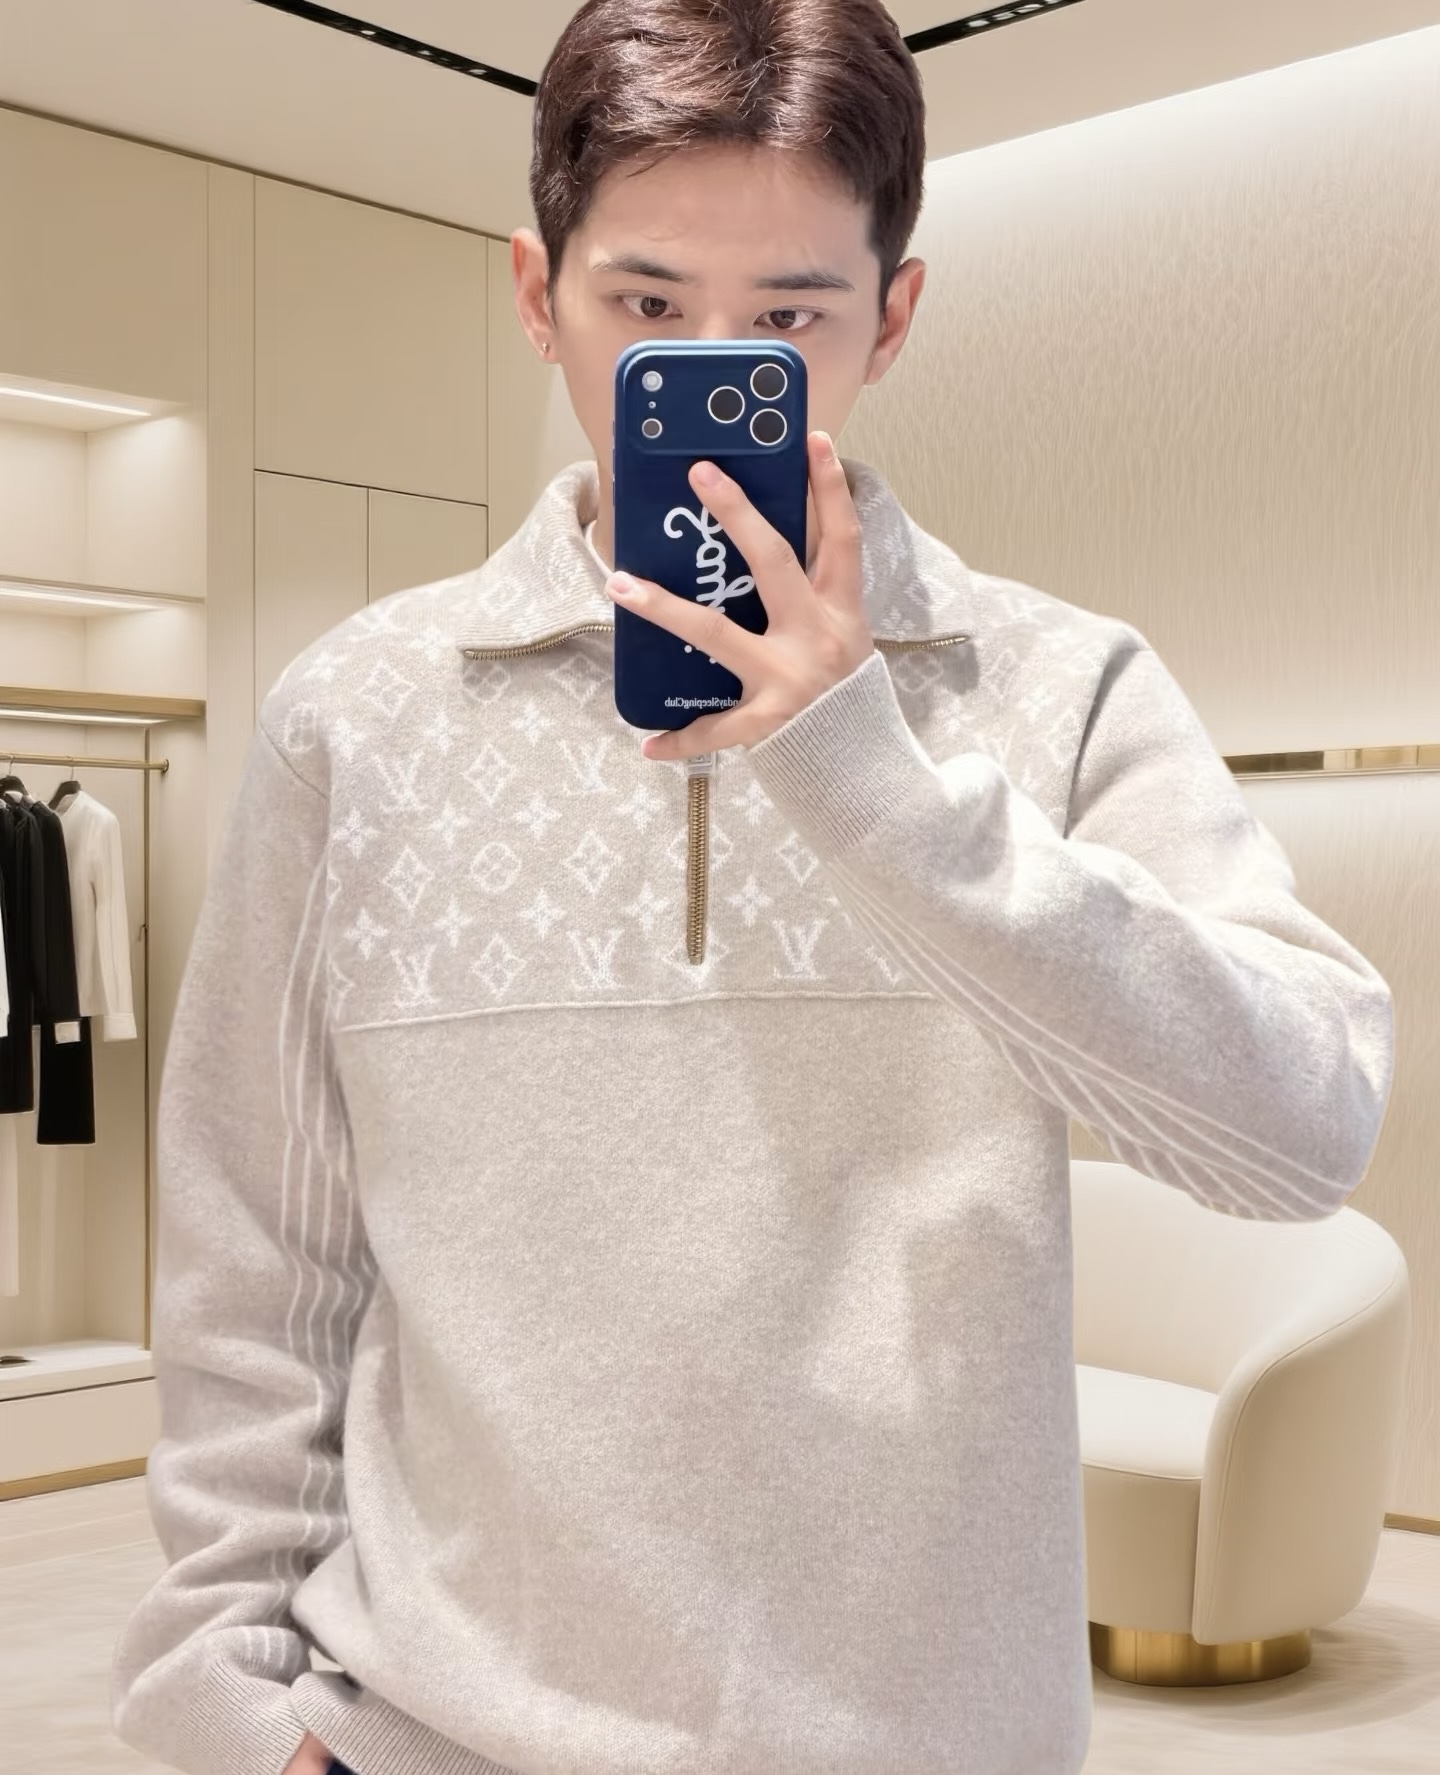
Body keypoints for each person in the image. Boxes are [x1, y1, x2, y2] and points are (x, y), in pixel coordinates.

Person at [110, 2, 1396, 1773]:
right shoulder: (359, 716)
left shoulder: (1059, 686)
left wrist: (878, 789)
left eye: (789, 319)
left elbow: (1303, 1127)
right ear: (536, 296)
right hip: (428, 1732)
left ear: (894, 316)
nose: (713, 379)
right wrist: (229, 1710)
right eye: (646, 308)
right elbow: (260, 1260)